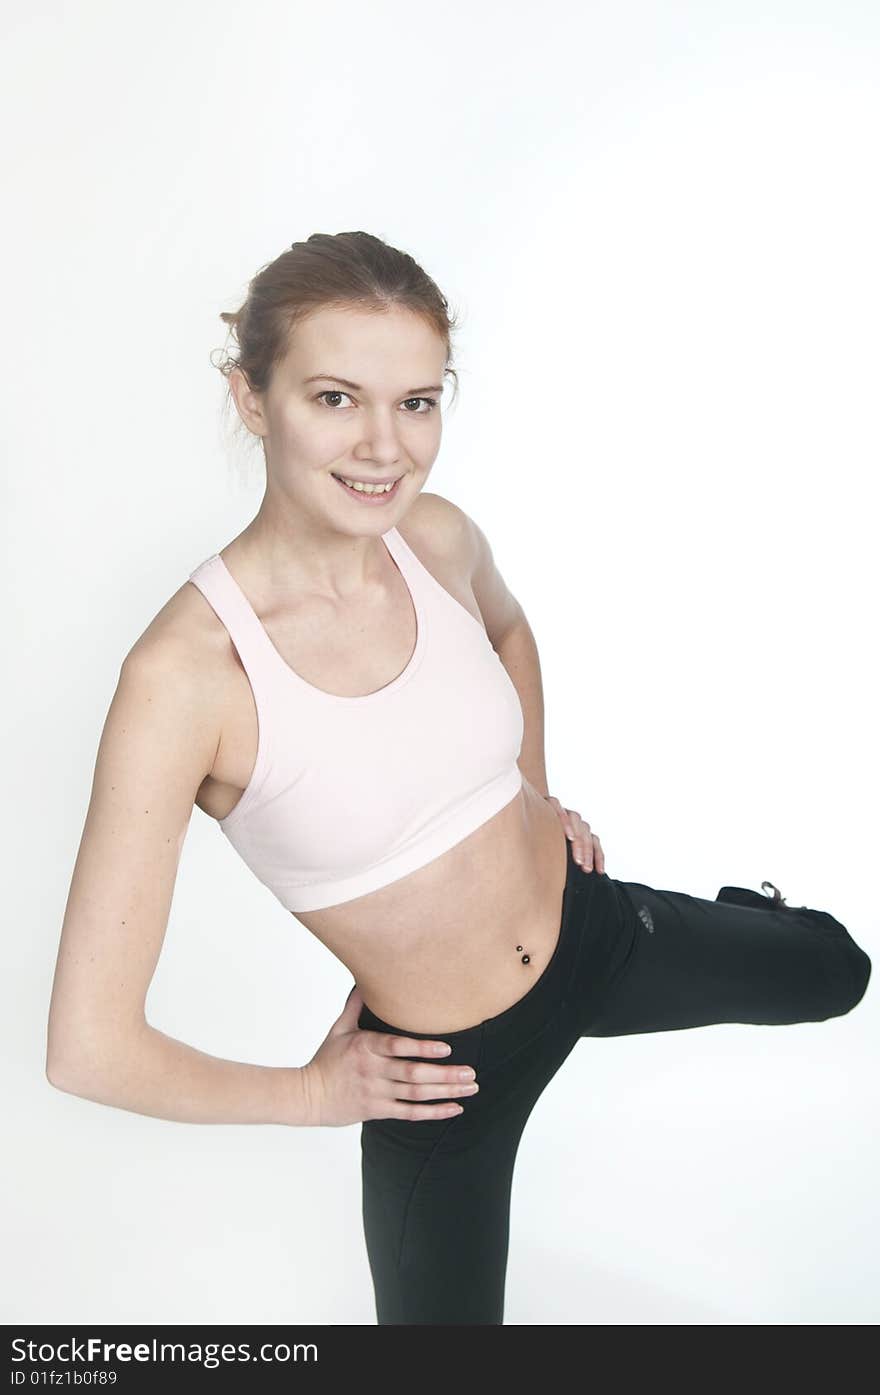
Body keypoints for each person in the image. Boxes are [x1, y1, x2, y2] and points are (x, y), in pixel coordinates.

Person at [46, 230, 872, 1326]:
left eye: (418, 403)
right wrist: (310, 1094)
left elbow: (510, 630)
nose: (386, 448)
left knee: (839, 972)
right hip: (444, 1073)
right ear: (252, 398)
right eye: (336, 398)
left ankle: (737, 920)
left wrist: (531, 792)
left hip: (594, 929)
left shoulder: (431, 540)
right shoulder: (185, 679)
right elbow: (90, 1049)